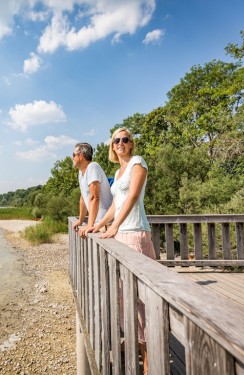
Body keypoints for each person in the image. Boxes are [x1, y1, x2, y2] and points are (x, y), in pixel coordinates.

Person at [84, 128, 156, 374]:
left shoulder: (138, 162)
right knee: (125, 300)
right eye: (116, 140)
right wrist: (98, 225)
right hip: (121, 235)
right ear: (112, 146)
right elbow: (116, 204)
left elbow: (133, 196)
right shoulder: (117, 171)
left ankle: (148, 362)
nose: (121, 143)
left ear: (132, 144)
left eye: (125, 139)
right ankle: (139, 348)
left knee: (141, 302)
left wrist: (114, 226)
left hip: (135, 233)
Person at [71, 142, 113, 238]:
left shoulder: (93, 166)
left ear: (81, 155)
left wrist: (89, 224)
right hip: (98, 224)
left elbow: (94, 197)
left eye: (74, 155)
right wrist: (81, 220)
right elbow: (83, 198)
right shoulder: (81, 173)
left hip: (106, 224)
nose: (72, 158)